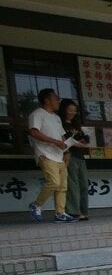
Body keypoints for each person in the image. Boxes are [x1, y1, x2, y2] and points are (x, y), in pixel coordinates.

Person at [27, 88, 78, 222]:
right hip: (46, 155)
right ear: (46, 100)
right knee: (54, 182)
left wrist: (67, 150)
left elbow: (61, 138)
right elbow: (34, 133)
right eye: (56, 98)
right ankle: (36, 205)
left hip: (59, 156)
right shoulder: (37, 114)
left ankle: (60, 214)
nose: (58, 101)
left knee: (62, 186)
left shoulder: (56, 118)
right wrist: (55, 142)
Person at [59, 98, 90, 221]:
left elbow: (80, 141)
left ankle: (83, 211)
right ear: (64, 110)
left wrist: (83, 141)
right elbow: (64, 142)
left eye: (74, 110)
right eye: (70, 110)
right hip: (69, 156)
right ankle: (73, 212)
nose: (72, 112)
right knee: (72, 185)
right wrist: (76, 143)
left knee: (83, 184)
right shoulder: (59, 124)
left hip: (80, 156)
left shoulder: (76, 125)